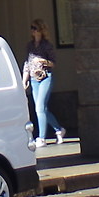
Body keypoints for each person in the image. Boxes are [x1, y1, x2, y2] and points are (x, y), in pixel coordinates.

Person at [23, 20, 65, 149]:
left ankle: (41, 138)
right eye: (32, 28)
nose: (33, 31)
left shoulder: (47, 45)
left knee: (39, 108)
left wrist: (43, 61)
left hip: (45, 77)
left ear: (41, 30)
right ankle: (59, 130)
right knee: (42, 109)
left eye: (35, 28)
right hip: (34, 79)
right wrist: (24, 80)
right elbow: (27, 64)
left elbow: (53, 63)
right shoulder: (30, 46)